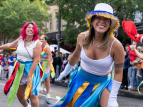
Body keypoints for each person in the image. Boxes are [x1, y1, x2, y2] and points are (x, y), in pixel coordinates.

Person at [54, 3, 124, 107]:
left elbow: (118, 73)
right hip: (80, 81)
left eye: (106, 18)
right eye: (98, 17)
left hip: (103, 84)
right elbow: (76, 56)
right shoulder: (82, 37)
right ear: (91, 21)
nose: (101, 21)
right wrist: (65, 72)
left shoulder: (116, 46)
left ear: (110, 23)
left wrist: (113, 98)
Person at [1, 21, 41, 107]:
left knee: (33, 95)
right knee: (19, 95)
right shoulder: (20, 39)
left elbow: (36, 61)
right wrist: (0, 47)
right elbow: (10, 45)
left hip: (31, 69)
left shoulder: (37, 43)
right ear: (25, 29)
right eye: (28, 27)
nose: (30, 29)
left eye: (32, 28)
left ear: (35, 31)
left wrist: (29, 76)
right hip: (19, 68)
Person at [40, 35, 52, 99]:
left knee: (47, 79)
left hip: (45, 64)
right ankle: (36, 91)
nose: (41, 40)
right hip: (39, 63)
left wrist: (47, 68)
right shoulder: (38, 46)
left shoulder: (47, 47)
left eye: (42, 39)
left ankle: (48, 93)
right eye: (40, 39)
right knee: (38, 79)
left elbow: (49, 57)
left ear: (45, 41)